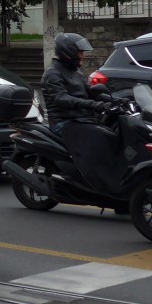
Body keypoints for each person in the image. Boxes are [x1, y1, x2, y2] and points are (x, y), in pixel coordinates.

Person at [40, 32, 124, 195]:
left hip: (81, 119)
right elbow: (61, 98)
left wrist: (115, 100)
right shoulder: (53, 74)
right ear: (68, 52)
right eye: (80, 52)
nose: (83, 56)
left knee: (113, 132)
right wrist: (95, 105)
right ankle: (96, 181)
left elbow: (91, 92)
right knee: (100, 137)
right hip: (63, 122)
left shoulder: (75, 72)